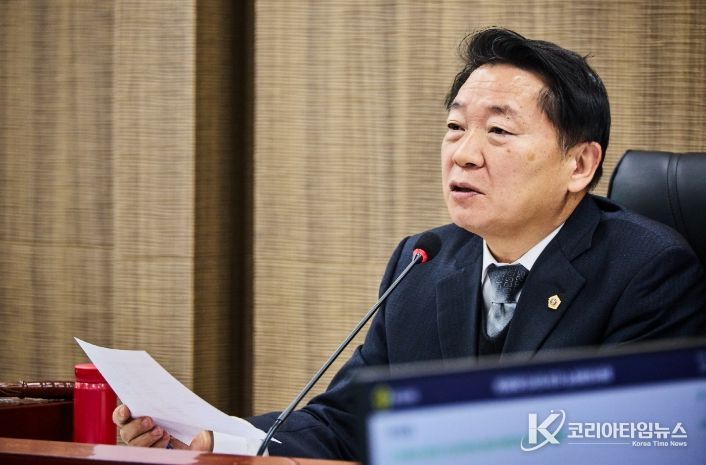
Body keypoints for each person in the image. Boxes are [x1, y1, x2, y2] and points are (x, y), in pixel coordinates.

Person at [113, 27, 706, 460]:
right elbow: (351, 420)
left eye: (499, 130)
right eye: (455, 127)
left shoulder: (648, 271)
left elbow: (626, 444)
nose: (464, 153)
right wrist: (219, 440)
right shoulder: (425, 262)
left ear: (579, 164)